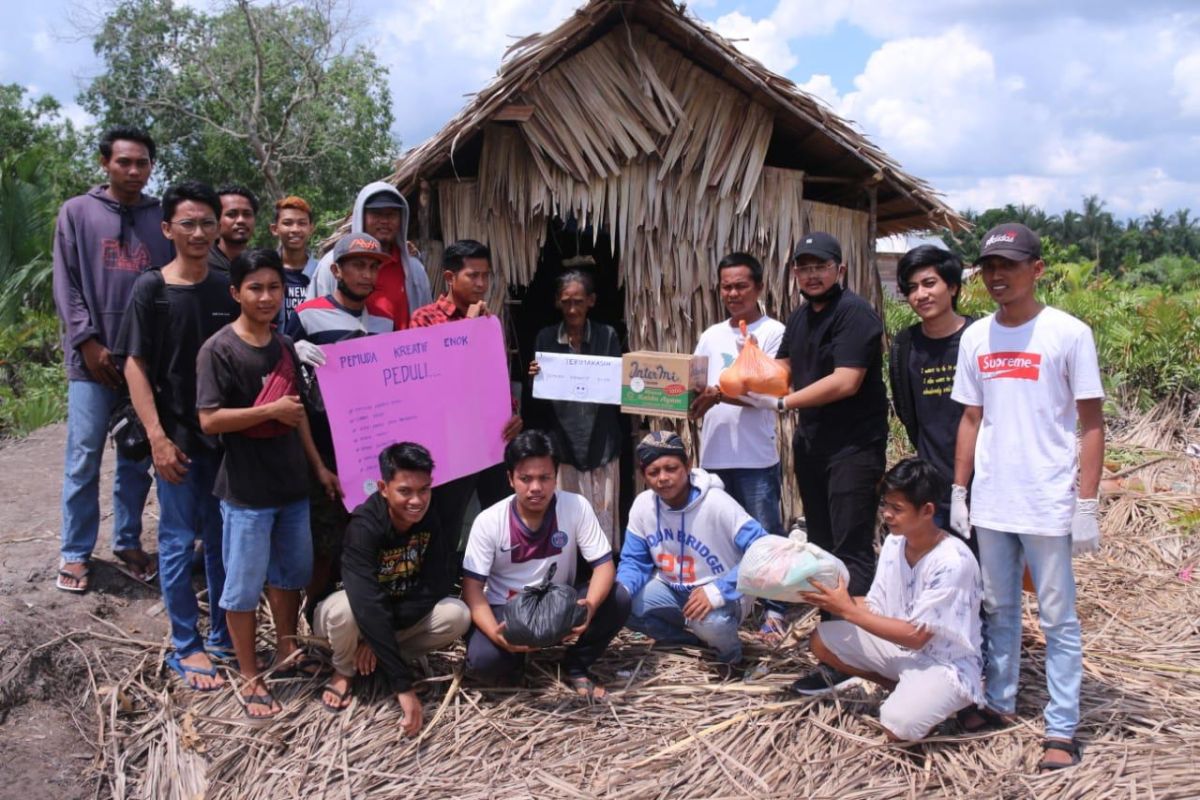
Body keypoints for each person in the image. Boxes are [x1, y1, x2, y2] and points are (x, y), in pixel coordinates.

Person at [950, 223, 1104, 771]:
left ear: (1036, 269)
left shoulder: (1067, 333)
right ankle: (1000, 700)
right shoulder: (976, 338)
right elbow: (971, 417)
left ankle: (1061, 728)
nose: (998, 275)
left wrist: (1085, 503)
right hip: (993, 500)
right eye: (990, 266)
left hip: (1047, 500)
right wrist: (959, 489)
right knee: (999, 607)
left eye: (1010, 265)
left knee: (1059, 617)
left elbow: (1090, 424)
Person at [739, 232, 890, 691]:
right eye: (803, 267)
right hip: (813, 446)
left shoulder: (856, 315)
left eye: (820, 266)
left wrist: (783, 406)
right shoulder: (799, 318)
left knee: (851, 548)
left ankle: (859, 654)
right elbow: (780, 373)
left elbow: (846, 381)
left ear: (839, 270)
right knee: (822, 550)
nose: (812, 274)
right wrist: (735, 382)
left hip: (854, 449)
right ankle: (837, 650)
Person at [196, 248, 341, 719]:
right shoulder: (218, 349)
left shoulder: (283, 347)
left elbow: (296, 415)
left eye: (274, 287)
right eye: (255, 288)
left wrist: (318, 467)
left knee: (289, 578)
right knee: (240, 588)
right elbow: (210, 420)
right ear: (235, 292)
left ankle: (286, 650)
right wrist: (267, 412)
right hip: (245, 493)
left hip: (291, 487)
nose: (265, 297)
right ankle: (249, 674)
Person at [113, 180, 238, 691]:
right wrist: (158, 439)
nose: (199, 232)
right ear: (167, 229)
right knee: (175, 539)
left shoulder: (228, 283)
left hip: (224, 439)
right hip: (176, 440)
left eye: (208, 222)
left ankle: (226, 636)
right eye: (187, 223)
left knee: (222, 542)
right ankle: (186, 643)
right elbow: (135, 367)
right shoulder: (151, 289)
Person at [51, 125, 170, 593]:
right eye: (124, 161)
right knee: (83, 455)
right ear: (106, 163)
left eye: (142, 163)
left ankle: (127, 541)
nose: (133, 170)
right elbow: (67, 282)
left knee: (136, 458)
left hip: (142, 363)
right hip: (91, 362)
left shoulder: (161, 218)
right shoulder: (78, 212)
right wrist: (87, 341)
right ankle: (76, 551)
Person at [794, 458, 983, 743]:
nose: (886, 514)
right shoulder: (896, 541)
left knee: (897, 727)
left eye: (897, 508)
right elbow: (876, 605)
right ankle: (901, 686)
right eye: (885, 505)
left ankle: (944, 699)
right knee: (822, 640)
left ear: (927, 511)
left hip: (945, 664)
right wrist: (826, 598)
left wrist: (846, 608)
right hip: (902, 651)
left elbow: (917, 636)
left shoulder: (953, 562)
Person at [462, 430, 630, 699]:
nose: (536, 488)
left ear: (556, 476)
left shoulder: (576, 506)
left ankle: (576, 664)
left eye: (544, 477)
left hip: (558, 607)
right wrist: (496, 635)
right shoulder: (488, 521)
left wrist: (589, 607)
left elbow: (604, 566)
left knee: (618, 597)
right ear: (510, 479)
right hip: (507, 612)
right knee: (484, 661)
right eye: (525, 479)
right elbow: (471, 590)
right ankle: (515, 664)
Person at [312, 442, 470, 728]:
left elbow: (435, 584)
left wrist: (377, 640)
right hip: (347, 620)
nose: (417, 500)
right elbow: (367, 602)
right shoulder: (364, 527)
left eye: (424, 490)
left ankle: (382, 657)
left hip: (391, 620)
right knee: (345, 610)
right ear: (383, 488)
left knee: (456, 614)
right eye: (405, 491)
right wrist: (403, 687)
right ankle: (344, 669)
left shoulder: (428, 517)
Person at [285, 233, 394, 609]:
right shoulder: (307, 314)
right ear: (336, 270)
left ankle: (354, 609)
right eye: (358, 266)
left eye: (373, 267)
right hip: (324, 443)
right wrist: (291, 347)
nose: (366, 274)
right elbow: (280, 369)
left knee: (362, 532)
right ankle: (311, 609)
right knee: (322, 537)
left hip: (370, 445)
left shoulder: (384, 323)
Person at [688, 252, 788, 638]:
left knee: (765, 533)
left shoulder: (773, 332)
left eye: (741, 285)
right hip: (714, 455)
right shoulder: (711, 335)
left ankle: (776, 608)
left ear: (759, 287)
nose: (733, 293)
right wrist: (692, 402)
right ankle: (732, 603)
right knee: (719, 536)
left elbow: (771, 392)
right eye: (726, 286)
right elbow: (697, 387)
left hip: (756, 456)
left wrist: (719, 395)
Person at [617, 432, 770, 669]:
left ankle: (731, 659)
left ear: (688, 466)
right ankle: (691, 643)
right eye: (653, 472)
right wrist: (620, 593)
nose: (663, 478)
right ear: (643, 476)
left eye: (671, 468)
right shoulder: (642, 505)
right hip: (673, 589)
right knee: (620, 605)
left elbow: (764, 549)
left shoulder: (717, 503)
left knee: (711, 623)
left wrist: (718, 590)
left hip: (723, 592)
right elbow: (634, 562)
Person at [412, 240, 523, 546]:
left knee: (499, 516)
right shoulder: (424, 319)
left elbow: (494, 377)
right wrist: (468, 328)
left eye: (486, 276)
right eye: (473, 275)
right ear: (450, 277)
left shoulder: (490, 322)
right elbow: (433, 382)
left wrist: (511, 412)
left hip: (490, 439)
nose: (481, 283)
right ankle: (442, 590)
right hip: (449, 442)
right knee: (446, 521)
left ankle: (495, 588)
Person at [525, 271, 623, 546]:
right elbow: (538, 397)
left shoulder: (606, 336)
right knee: (565, 522)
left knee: (600, 519)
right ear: (557, 302)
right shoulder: (545, 338)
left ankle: (601, 575)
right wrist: (535, 376)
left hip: (601, 440)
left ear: (591, 301)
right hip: (562, 441)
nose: (572, 309)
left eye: (578, 301)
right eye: (566, 301)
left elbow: (615, 385)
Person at [888, 245, 975, 534]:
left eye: (929, 283)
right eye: (912, 288)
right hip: (933, 483)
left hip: (986, 481)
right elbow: (906, 411)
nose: (920, 295)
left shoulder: (978, 337)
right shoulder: (905, 345)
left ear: (952, 287)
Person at [307, 181, 431, 329]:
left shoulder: (414, 270)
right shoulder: (333, 263)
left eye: (391, 214)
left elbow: (426, 324)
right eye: (377, 214)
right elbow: (313, 322)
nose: (385, 221)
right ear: (361, 216)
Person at [270, 195, 319, 329]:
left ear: (311, 228)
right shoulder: (266, 270)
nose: (295, 229)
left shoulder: (322, 272)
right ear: (275, 229)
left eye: (302, 223)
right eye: (287, 223)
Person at [207, 185, 258, 276]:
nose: (241, 220)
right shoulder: (202, 265)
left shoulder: (260, 264)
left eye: (247, 214)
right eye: (231, 214)